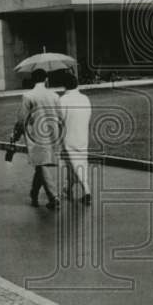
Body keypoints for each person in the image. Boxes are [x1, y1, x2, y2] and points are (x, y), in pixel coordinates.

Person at [13, 68, 62, 209]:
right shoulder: (54, 95)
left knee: (40, 164)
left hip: (35, 135)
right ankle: (34, 193)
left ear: (33, 80)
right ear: (46, 79)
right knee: (41, 165)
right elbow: (60, 117)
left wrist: (16, 134)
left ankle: (53, 197)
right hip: (52, 133)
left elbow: (22, 119)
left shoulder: (28, 96)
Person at [58, 71, 92, 205]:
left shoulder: (63, 100)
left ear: (64, 86)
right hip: (82, 135)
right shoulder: (85, 98)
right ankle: (68, 188)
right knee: (78, 163)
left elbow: (59, 120)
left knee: (73, 164)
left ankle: (87, 191)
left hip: (68, 137)